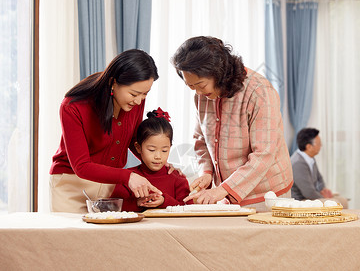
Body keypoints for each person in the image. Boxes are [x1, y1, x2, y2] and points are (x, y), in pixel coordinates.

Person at [171, 36, 293, 212]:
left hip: (267, 194)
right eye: (191, 86)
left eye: (200, 85)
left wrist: (223, 190)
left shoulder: (259, 92)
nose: (197, 92)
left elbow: (264, 154)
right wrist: (206, 172)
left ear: (218, 73)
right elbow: (200, 139)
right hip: (226, 194)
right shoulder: (202, 95)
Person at [50, 49, 169, 213]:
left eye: (145, 94)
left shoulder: (135, 100)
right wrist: (128, 177)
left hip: (110, 185)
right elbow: (81, 166)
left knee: (108, 238)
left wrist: (159, 160)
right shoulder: (73, 106)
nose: (139, 100)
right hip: (72, 185)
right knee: (72, 237)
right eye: (134, 93)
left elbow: (134, 140)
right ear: (113, 82)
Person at [111, 108, 193, 211]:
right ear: (138, 147)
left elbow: (188, 209)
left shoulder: (177, 178)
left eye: (164, 151)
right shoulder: (128, 177)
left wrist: (164, 201)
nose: (158, 156)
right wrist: (137, 203)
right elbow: (113, 207)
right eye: (151, 150)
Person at [290, 128, 349, 208]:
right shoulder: (298, 163)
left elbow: (319, 179)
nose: (320, 146)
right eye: (318, 144)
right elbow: (308, 192)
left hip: (311, 197)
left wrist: (323, 189)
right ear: (309, 147)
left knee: (342, 200)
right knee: (334, 203)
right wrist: (325, 198)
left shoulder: (310, 158)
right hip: (301, 200)